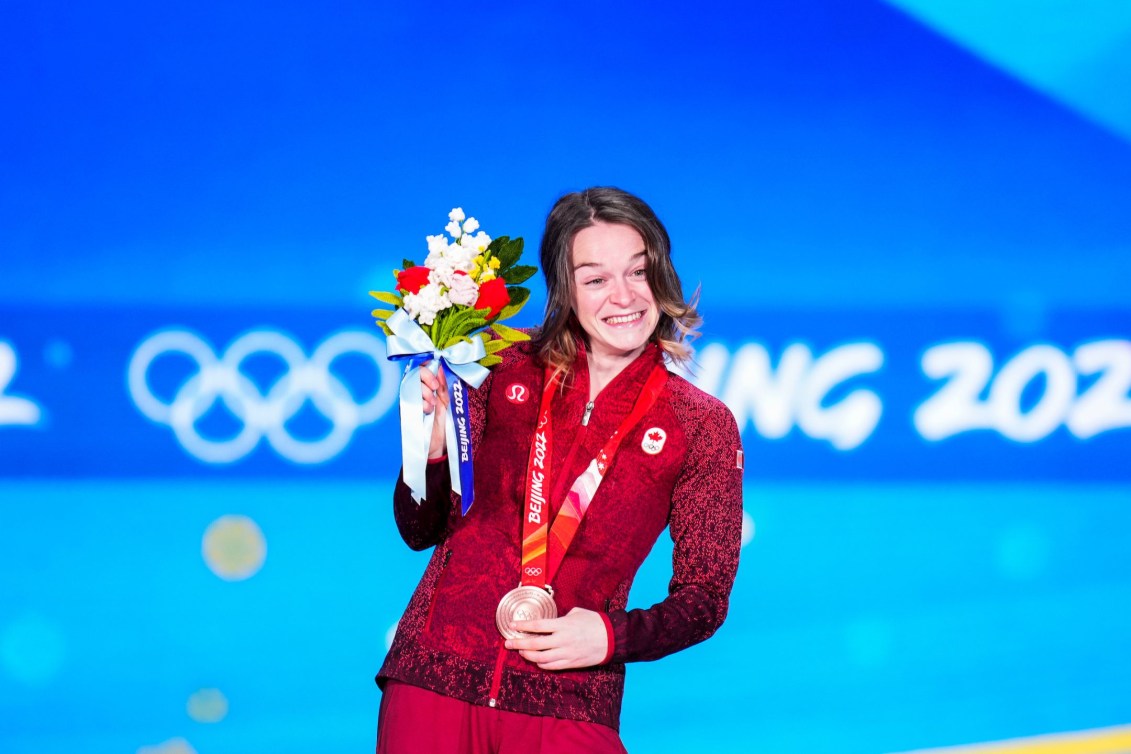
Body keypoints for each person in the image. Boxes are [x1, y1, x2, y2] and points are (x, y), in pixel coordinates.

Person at [375, 187, 744, 753]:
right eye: (595, 279)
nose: (623, 296)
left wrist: (610, 636)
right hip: (435, 680)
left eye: (638, 272)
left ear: (661, 278)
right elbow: (418, 529)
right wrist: (429, 452)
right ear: (564, 288)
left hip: (570, 703)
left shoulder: (701, 426)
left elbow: (705, 597)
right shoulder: (495, 364)